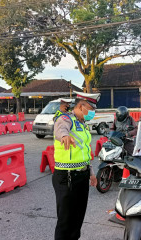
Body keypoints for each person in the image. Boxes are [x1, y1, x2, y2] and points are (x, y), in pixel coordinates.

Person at [52, 91, 100, 240]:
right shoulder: (66, 119)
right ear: (81, 106)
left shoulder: (83, 125)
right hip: (67, 176)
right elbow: (60, 129)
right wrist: (64, 136)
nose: (92, 113)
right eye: (91, 110)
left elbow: (84, 151)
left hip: (82, 175)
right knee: (66, 221)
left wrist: (91, 172)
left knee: (78, 218)